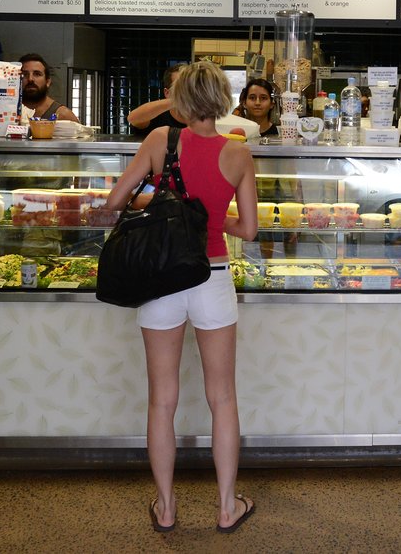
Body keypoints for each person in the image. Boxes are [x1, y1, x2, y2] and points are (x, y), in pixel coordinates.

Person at [105, 60, 259, 535]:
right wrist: (215, 223)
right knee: (223, 397)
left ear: (182, 100)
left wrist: (158, 204)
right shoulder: (238, 154)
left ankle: (167, 508)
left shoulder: (159, 142)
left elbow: (115, 203)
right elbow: (249, 230)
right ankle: (227, 506)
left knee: (161, 400)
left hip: (161, 281)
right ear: (222, 100)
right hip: (211, 276)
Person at [128, 63, 188, 136]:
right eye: (179, 86)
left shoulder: (203, 116)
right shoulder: (157, 115)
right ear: (167, 93)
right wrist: (177, 100)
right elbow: (133, 119)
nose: (187, 91)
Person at [18, 53, 79, 122]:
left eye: (37, 74)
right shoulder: (9, 112)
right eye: (24, 74)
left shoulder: (63, 116)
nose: (30, 79)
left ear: (48, 82)